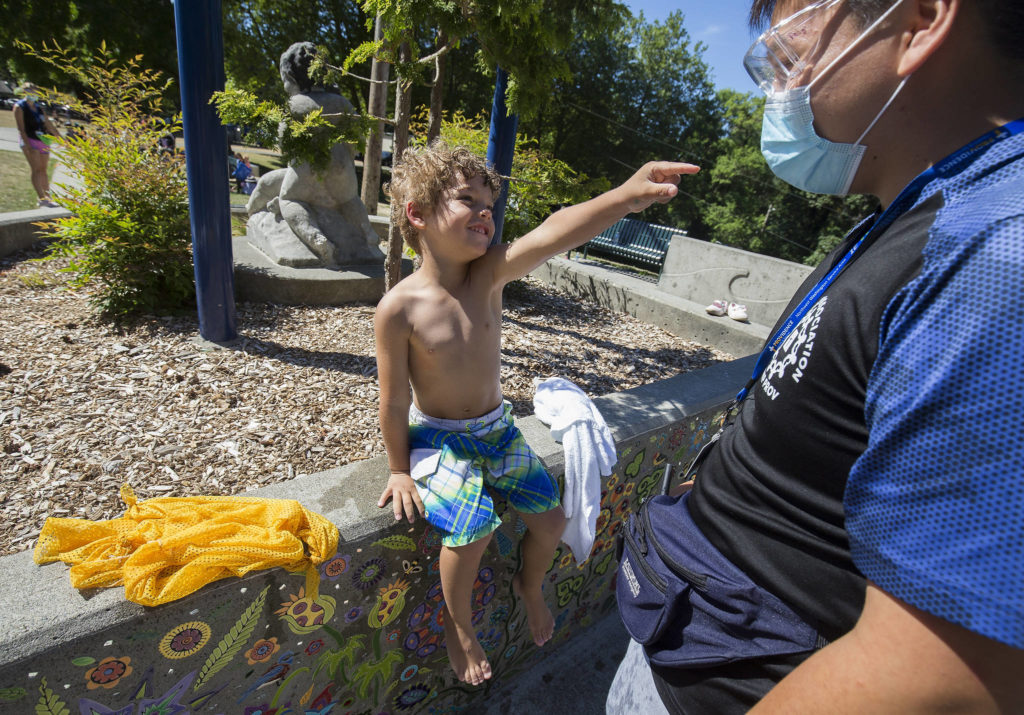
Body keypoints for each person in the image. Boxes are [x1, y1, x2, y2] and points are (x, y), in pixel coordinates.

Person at [614, 0, 1024, 712]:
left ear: (922, 19)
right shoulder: (922, 213)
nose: (779, 78)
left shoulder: (996, 253)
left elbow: (947, 673)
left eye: (793, 36)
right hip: (683, 638)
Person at [375, 141, 696, 686]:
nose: (485, 213)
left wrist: (624, 196)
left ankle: (529, 583)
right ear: (418, 214)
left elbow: (555, 230)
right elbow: (394, 401)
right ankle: (460, 626)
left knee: (552, 521)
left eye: (489, 204)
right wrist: (400, 470)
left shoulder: (489, 276)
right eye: (467, 200)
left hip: (497, 430)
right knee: (472, 529)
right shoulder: (398, 309)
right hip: (439, 438)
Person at [12, 82, 62, 208]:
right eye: (31, 91)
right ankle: (41, 198)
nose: (34, 93)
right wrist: (29, 146)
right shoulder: (19, 107)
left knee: (43, 169)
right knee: (36, 169)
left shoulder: (39, 107)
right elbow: (21, 128)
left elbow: (48, 125)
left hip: (43, 140)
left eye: (35, 91)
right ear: (25, 92)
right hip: (30, 140)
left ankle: (48, 196)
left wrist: (60, 138)